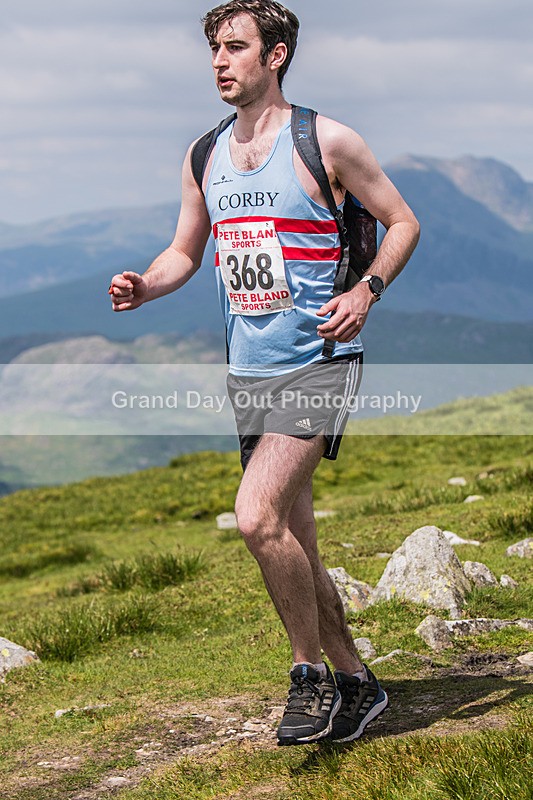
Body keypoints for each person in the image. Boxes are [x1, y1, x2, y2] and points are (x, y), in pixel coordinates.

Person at [109, 0, 420, 746]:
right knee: (293, 541)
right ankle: (358, 683)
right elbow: (186, 250)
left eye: (234, 47)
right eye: (214, 48)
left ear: (274, 55)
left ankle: (307, 675)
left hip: (318, 362)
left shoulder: (327, 141)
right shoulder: (202, 153)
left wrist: (364, 291)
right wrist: (147, 285)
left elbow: (403, 221)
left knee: (255, 517)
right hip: (247, 373)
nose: (220, 61)